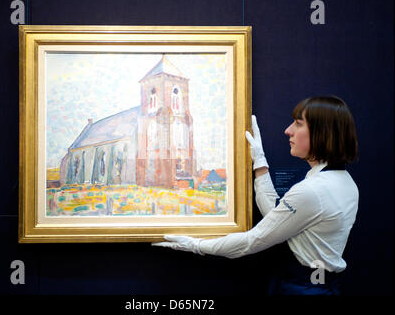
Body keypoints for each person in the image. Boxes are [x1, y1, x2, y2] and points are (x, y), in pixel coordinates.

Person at [152, 96, 359, 295]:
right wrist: (259, 161)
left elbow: (252, 241)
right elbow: (277, 217)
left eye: (298, 123)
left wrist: (194, 245)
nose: (288, 131)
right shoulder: (344, 182)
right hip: (320, 282)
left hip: (304, 287)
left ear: (321, 132)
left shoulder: (314, 190)